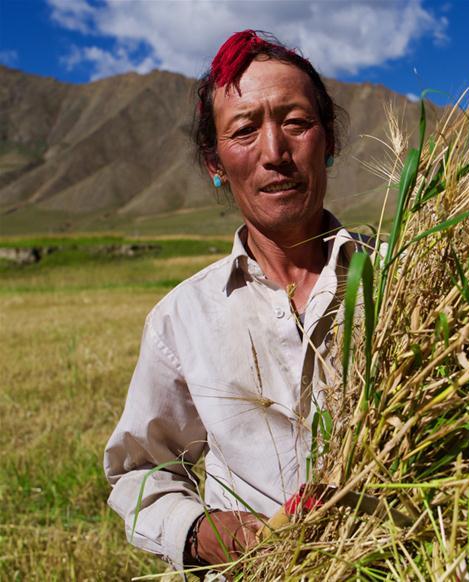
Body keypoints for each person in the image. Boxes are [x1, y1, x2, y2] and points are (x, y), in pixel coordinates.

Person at [104, 30, 365, 571]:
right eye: (244, 130)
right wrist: (196, 532)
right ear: (215, 165)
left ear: (329, 140)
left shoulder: (409, 279)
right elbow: (137, 471)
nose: (275, 152)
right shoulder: (182, 319)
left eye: (296, 123)